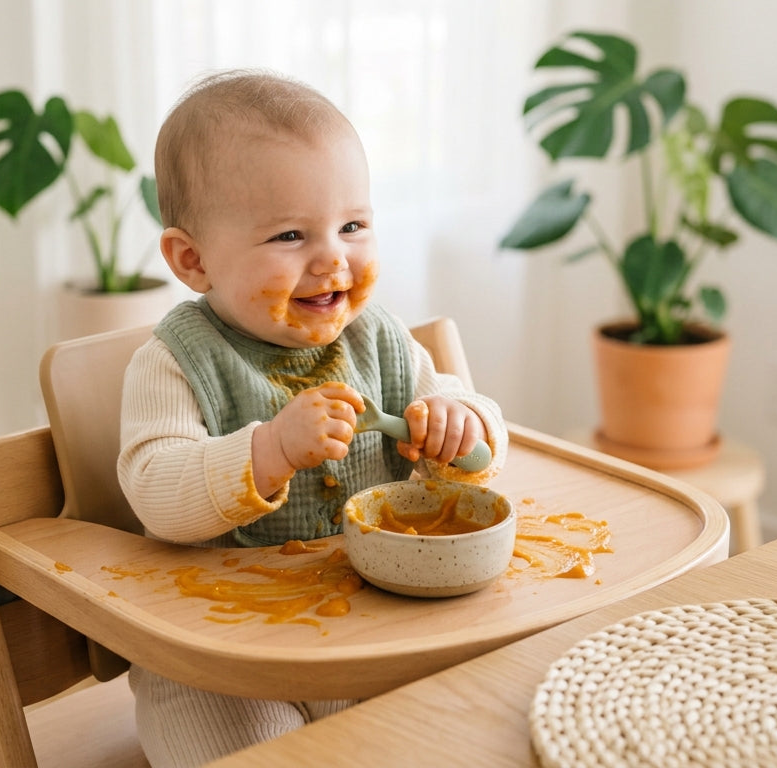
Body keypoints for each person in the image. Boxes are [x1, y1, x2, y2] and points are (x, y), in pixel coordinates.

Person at [116, 68, 509, 767]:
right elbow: (155, 489)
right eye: (291, 235)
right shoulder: (176, 360)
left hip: (361, 623)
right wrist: (265, 451)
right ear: (193, 259)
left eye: (353, 226)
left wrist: (463, 424)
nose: (333, 257)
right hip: (216, 648)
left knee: (446, 729)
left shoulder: (379, 340)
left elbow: (476, 443)